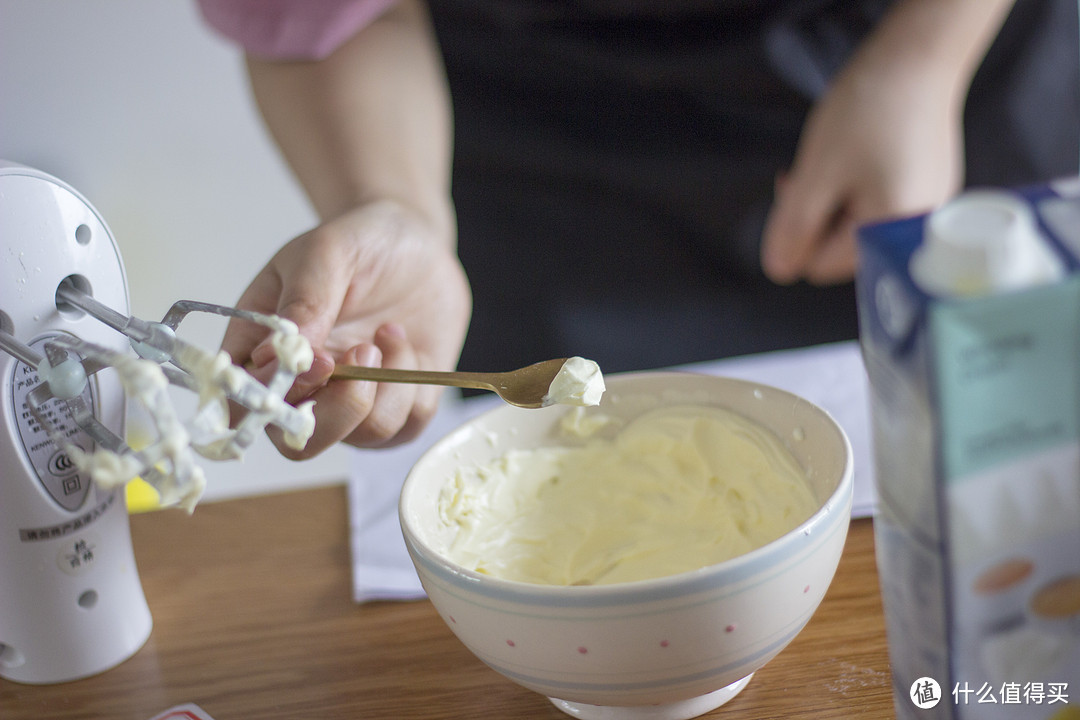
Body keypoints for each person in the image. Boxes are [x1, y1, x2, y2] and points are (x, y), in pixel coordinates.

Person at [196, 0, 1079, 458]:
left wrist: (925, 62)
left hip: (941, 72)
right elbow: (335, 16)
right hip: (543, 137)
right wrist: (395, 202)